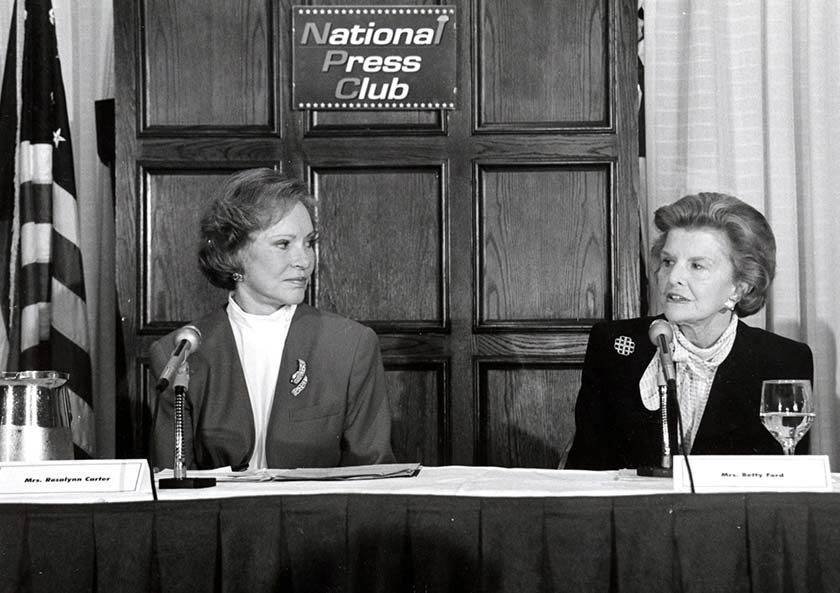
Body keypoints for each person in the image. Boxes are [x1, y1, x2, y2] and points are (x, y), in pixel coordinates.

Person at [150, 168, 395, 470]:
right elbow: (171, 486)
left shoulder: (350, 345)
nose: (304, 261)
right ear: (232, 252)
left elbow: (373, 477)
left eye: (309, 243)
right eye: (283, 244)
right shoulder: (179, 352)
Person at [565, 192, 813, 470]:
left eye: (697, 266)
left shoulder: (784, 360)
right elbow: (585, 472)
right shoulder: (614, 346)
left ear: (740, 287)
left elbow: (787, 486)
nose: (673, 278)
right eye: (668, 262)